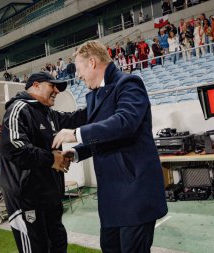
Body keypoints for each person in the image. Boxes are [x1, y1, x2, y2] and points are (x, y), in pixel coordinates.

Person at [52, 40, 168, 253]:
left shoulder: (129, 83)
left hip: (134, 193)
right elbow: (104, 135)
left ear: (92, 63)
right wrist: (77, 152)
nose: (78, 75)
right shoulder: (96, 94)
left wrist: (76, 134)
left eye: (79, 69)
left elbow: (124, 123)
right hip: (112, 197)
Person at [0, 72, 87, 253]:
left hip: (51, 197)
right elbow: (15, 148)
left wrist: (101, 98)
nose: (56, 91)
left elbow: (76, 118)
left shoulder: (49, 114)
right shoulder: (18, 108)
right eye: (52, 85)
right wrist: (51, 159)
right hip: (27, 200)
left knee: (58, 245)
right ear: (36, 85)